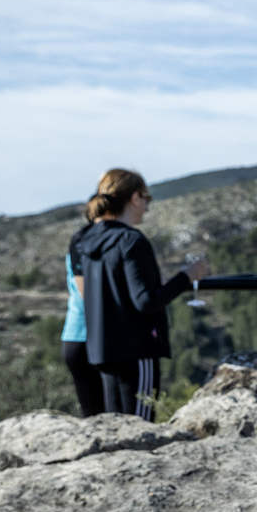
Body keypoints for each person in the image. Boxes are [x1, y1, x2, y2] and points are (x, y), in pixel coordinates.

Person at [74, 169, 209, 420]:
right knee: (140, 425)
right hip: (136, 350)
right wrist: (187, 276)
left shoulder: (88, 241)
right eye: (147, 199)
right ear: (135, 198)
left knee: (114, 427)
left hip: (102, 349)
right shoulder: (131, 241)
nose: (147, 207)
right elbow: (146, 301)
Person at [61, 219, 104, 417]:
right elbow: (89, 294)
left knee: (92, 415)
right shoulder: (92, 246)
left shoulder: (78, 242)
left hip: (73, 336)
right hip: (94, 338)